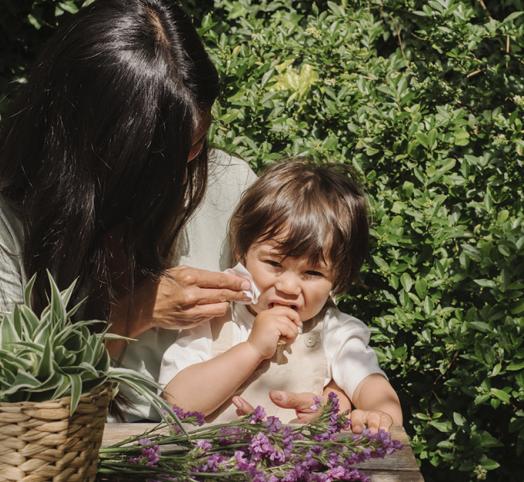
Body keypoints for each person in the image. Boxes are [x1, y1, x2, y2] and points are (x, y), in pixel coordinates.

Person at [0, 0, 347, 422]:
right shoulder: (13, 222)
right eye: (168, 156)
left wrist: (334, 392)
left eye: (201, 140)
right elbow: (19, 401)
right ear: (103, 149)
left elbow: (310, 320)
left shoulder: (229, 183)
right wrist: (132, 315)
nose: (194, 160)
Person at [160, 160, 403, 431]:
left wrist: (379, 415)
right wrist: (252, 349)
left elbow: (375, 389)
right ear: (242, 252)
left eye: (312, 273)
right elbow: (175, 405)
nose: (288, 286)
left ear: (338, 278)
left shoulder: (335, 332)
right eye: (274, 264)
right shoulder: (214, 316)